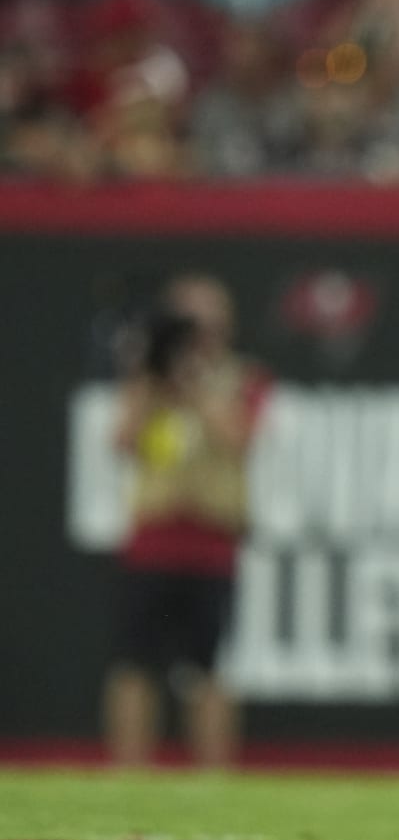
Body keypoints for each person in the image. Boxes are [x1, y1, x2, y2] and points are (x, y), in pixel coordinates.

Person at [104, 273, 269, 768]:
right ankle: (126, 774)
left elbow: (238, 437)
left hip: (212, 541)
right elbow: (123, 441)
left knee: (209, 668)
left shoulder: (243, 377)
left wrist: (194, 382)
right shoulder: (148, 380)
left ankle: (214, 778)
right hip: (153, 539)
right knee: (135, 665)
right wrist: (151, 379)